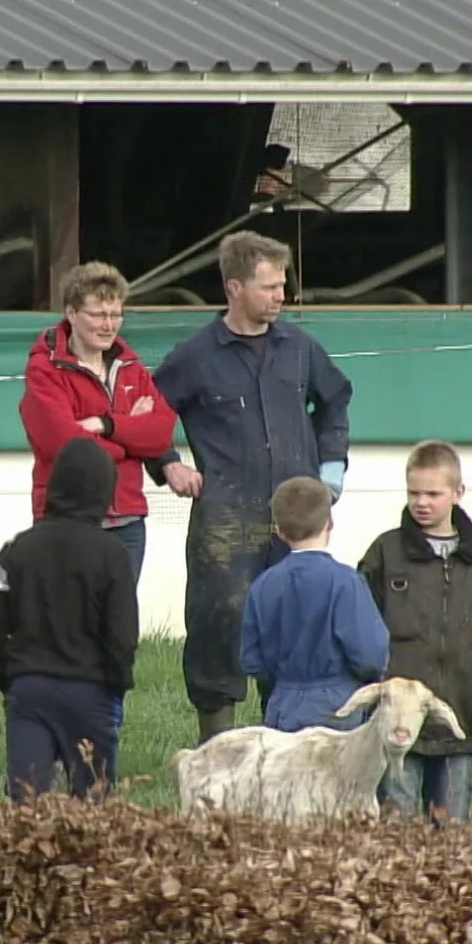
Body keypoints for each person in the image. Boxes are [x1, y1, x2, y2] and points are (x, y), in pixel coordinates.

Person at [145, 231, 355, 743]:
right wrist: (167, 461)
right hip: (225, 518)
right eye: (269, 287)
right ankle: (217, 747)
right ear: (234, 288)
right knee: (221, 626)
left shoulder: (299, 348)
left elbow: (336, 399)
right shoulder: (195, 355)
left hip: (296, 515)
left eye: (283, 285)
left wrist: (331, 465)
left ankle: (285, 743)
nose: (282, 296)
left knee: (295, 625)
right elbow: (145, 412)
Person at [356, 440, 472, 826]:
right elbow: (360, 640)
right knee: (398, 837)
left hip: (460, 728)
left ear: (458, 493)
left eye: (433, 493)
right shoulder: (384, 555)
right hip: (399, 730)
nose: (422, 502)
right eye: (414, 492)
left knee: (451, 846)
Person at [0, 436, 140, 804]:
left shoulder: (16, 549)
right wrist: (118, 683)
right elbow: (123, 635)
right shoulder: (112, 556)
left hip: (29, 688)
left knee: (27, 803)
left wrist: (4, 673)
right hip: (91, 691)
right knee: (92, 807)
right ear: (104, 492)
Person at [19, 261, 178, 583]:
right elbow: (66, 448)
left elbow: (161, 434)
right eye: (98, 315)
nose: (109, 325)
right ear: (72, 313)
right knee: (68, 623)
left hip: (128, 522)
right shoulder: (45, 371)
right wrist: (131, 440)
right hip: (68, 522)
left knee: (118, 623)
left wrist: (107, 426)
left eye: (116, 314)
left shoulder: (131, 366)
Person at [240, 476, 390, 733]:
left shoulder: (263, 585)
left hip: (283, 704)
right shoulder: (346, 582)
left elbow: (252, 659)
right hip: (339, 705)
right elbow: (370, 654)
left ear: (279, 531)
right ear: (329, 523)